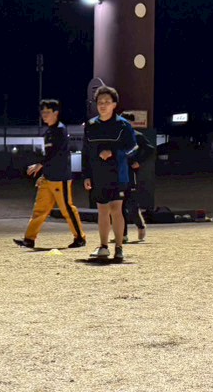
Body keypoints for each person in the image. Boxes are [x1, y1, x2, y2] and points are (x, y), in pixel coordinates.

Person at [13, 98, 86, 249]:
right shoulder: (48, 132)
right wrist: (44, 174)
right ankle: (29, 239)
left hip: (60, 178)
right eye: (43, 112)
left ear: (56, 113)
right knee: (39, 209)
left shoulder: (60, 130)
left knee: (67, 208)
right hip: (48, 178)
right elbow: (49, 155)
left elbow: (57, 153)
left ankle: (80, 238)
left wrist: (40, 165)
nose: (44, 115)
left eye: (47, 112)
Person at [82, 86, 137, 262]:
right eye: (100, 102)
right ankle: (103, 247)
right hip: (98, 176)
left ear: (114, 104)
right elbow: (86, 152)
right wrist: (86, 175)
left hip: (118, 175)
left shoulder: (123, 125)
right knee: (102, 210)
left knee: (116, 209)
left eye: (107, 102)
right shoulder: (91, 126)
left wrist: (114, 152)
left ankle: (119, 248)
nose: (103, 105)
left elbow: (133, 149)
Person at [123, 127, 152, 243]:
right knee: (118, 205)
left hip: (129, 172)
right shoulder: (115, 134)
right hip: (116, 172)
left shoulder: (136, 135)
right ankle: (122, 234)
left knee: (131, 203)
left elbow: (149, 148)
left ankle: (140, 226)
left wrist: (138, 160)